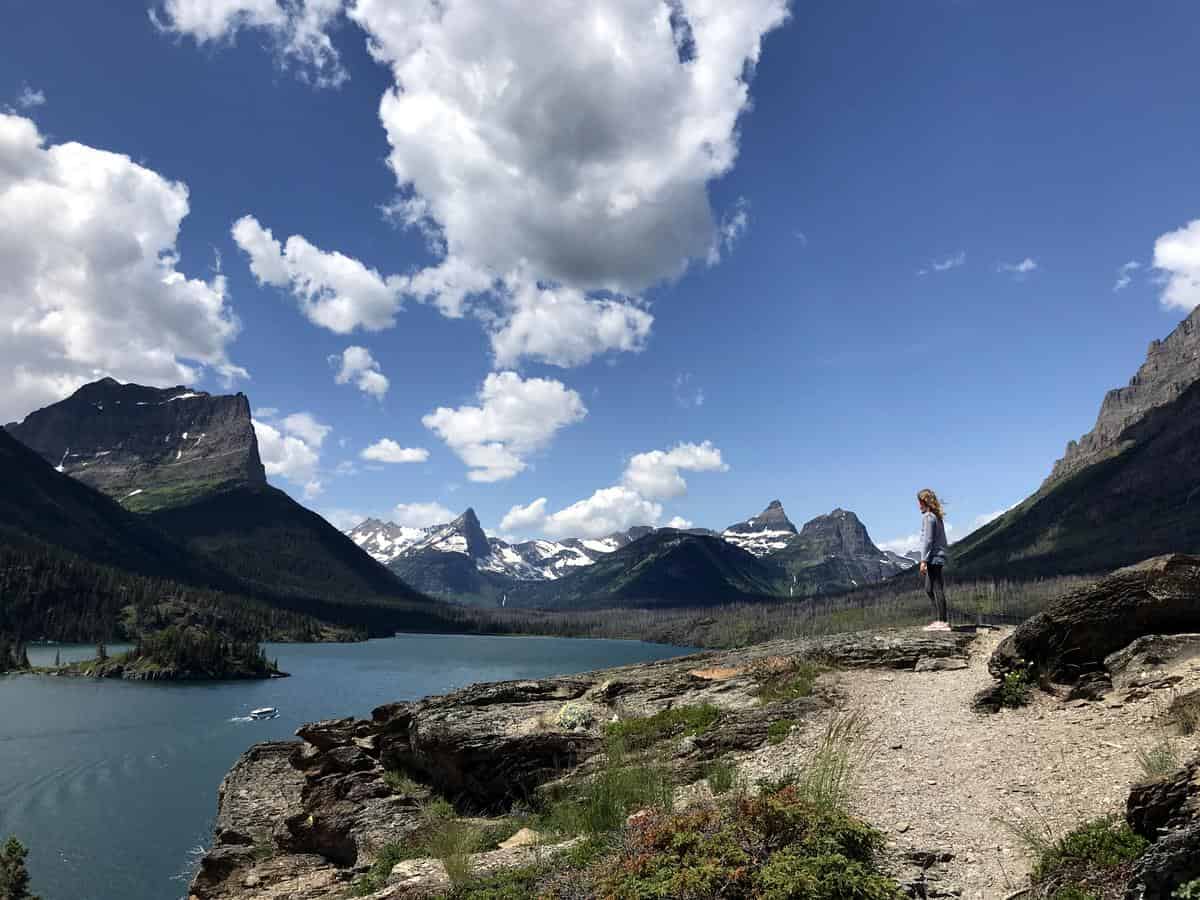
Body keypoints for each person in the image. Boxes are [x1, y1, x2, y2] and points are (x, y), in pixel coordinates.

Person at [917, 488, 951, 631]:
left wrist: (923, 560)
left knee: (936, 588)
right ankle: (939, 619)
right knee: (929, 588)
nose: (918, 506)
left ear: (925, 502)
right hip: (937, 555)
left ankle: (942, 621)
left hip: (933, 557)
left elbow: (928, 540)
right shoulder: (936, 516)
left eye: (919, 503)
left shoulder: (928, 517)